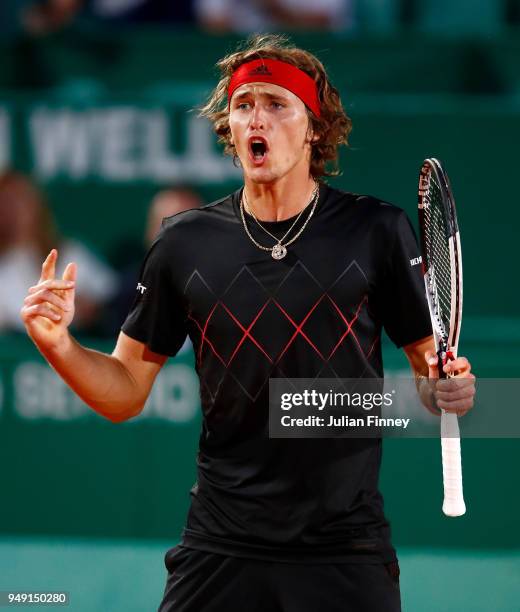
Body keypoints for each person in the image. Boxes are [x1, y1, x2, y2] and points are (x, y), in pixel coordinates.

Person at [20, 34, 476, 611]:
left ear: (314, 127)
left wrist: (447, 388)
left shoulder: (376, 231)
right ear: (230, 131)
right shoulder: (183, 243)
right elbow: (125, 392)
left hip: (344, 548)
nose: (256, 116)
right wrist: (58, 345)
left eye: (276, 103)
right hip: (220, 544)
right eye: (243, 105)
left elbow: (426, 374)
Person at [0, 170, 117, 334]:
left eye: (20, 201)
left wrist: (93, 308)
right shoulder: (5, 265)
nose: (13, 211)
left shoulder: (71, 252)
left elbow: (113, 297)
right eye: (5, 203)